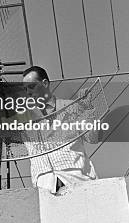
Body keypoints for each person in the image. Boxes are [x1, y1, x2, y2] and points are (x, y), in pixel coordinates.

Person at [23, 65, 98, 195]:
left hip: (78, 179)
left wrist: (87, 110)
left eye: (31, 86)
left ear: (45, 83)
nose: (28, 92)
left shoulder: (72, 107)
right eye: (25, 89)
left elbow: (93, 138)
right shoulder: (25, 121)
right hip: (45, 186)